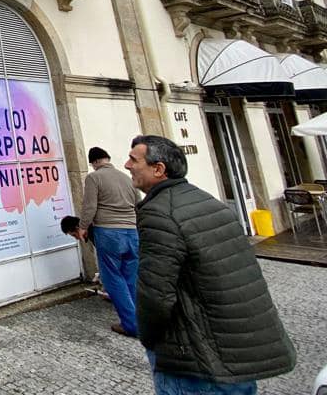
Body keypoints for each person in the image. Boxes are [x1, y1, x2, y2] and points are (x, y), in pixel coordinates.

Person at [126, 135, 295, 395]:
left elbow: (156, 295)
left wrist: (149, 338)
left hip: (196, 359)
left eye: (133, 160)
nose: (127, 165)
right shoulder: (211, 202)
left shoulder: (160, 213)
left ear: (158, 169)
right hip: (237, 351)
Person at [77, 145, 140, 337]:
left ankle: (131, 325)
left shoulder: (94, 177)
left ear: (94, 162)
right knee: (131, 278)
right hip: (132, 231)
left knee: (113, 278)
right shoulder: (126, 177)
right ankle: (142, 321)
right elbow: (138, 204)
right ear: (108, 158)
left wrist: (83, 226)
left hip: (109, 232)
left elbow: (90, 206)